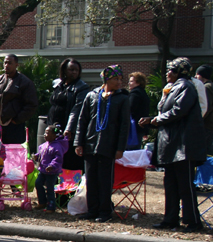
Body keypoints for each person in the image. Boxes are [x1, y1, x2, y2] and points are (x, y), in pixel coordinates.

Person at [139, 57, 207, 232]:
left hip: (184, 146)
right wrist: (154, 119)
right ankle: (170, 219)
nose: (167, 73)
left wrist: (155, 120)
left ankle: (193, 222)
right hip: (172, 145)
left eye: (172, 70)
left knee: (185, 186)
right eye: (168, 69)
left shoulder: (186, 86)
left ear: (181, 72)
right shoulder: (172, 88)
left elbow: (178, 111)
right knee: (170, 184)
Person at [73, 65, 131, 223]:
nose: (119, 82)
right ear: (106, 79)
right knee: (91, 178)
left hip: (108, 145)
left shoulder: (122, 98)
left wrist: (120, 148)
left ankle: (105, 211)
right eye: (115, 79)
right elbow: (82, 120)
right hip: (90, 143)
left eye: (121, 79)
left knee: (105, 180)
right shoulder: (92, 95)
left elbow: (124, 125)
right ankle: (92, 210)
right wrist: (79, 142)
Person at [47, 58, 90, 170]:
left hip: (69, 129)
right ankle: (54, 183)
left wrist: (69, 129)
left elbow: (76, 110)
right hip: (55, 126)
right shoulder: (58, 85)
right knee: (54, 154)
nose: (74, 72)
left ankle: (70, 184)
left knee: (68, 157)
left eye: (76, 70)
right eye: (71, 69)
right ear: (64, 70)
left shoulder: (82, 87)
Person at [0, 54, 38, 144]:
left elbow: (31, 105)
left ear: (16, 65)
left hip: (14, 128)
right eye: (5, 63)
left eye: (10, 63)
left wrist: (16, 120)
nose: (7, 65)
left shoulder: (25, 82)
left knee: (13, 155)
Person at [33, 125, 68, 212]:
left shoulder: (57, 146)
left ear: (54, 136)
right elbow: (41, 154)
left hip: (52, 172)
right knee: (38, 183)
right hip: (43, 170)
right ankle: (42, 202)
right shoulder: (43, 145)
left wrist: (52, 166)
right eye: (45, 133)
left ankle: (51, 206)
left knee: (50, 188)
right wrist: (36, 157)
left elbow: (58, 158)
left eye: (47, 133)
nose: (45, 135)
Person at [195, 65, 213, 153]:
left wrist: (197, 121)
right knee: (206, 151)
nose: (195, 77)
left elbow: (206, 107)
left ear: (200, 75)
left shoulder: (206, 87)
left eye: (196, 75)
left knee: (200, 152)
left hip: (206, 125)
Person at [127, 72, 151, 146]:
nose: (128, 83)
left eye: (131, 81)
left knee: (130, 151)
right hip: (141, 127)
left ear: (138, 83)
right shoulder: (143, 93)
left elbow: (130, 109)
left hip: (133, 128)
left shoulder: (135, 94)